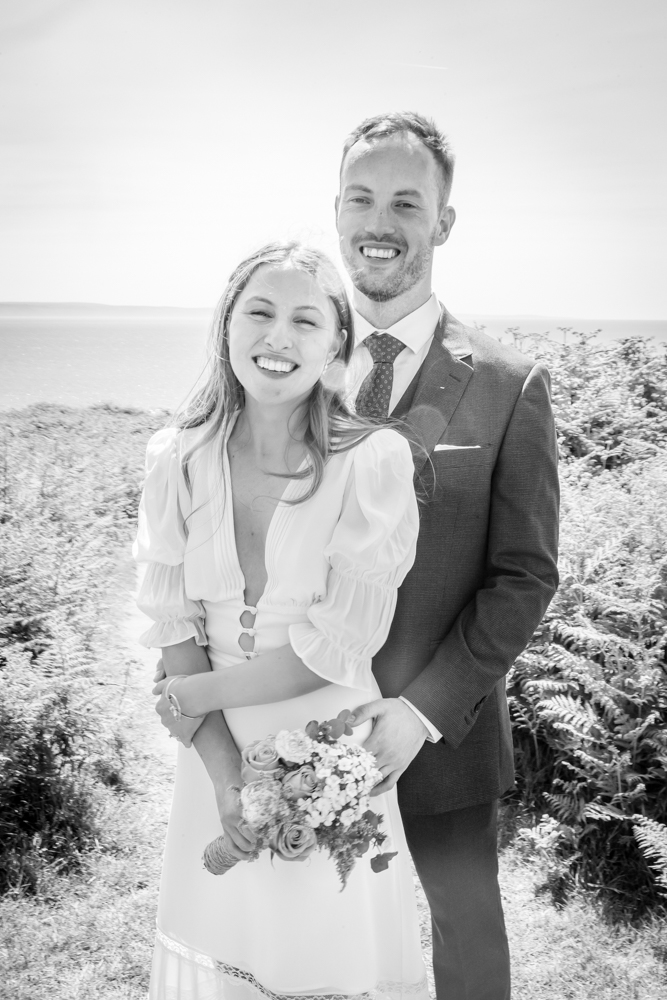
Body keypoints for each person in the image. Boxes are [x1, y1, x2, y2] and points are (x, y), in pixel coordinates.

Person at [133, 242, 430, 999]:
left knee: (324, 959)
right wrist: (228, 780)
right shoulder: (176, 458)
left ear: (336, 345)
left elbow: (332, 649)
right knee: (229, 958)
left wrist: (187, 698)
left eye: (305, 320)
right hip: (212, 760)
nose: (278, 337)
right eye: (259, 311)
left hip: (326, 754)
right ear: (227, 323)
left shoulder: (372, 463)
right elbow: (174, 625)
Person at [335, 113, 560, 1000]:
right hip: (292, 714)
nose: (378, 221)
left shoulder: (508, 387)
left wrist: (416, 712)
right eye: (360, 197)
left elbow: (525, 573)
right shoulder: (289, 363)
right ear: (337, 210)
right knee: (311, 940)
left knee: (465, 938)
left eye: (405, 200)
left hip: (442, 733)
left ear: (443, 222)